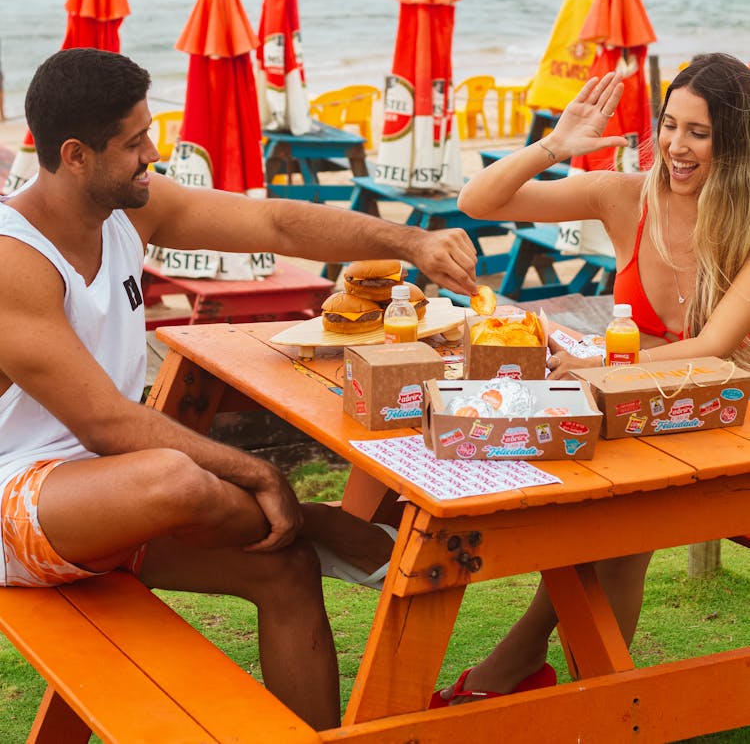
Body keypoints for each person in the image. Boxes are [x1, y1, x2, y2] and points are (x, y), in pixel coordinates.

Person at [0, 47, 478, 731]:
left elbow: (275, 224)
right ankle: (323, 520)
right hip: (19, 502)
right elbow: (108, 422)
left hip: (110, 495)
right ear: (75, 155)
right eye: (134, 142)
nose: (151, 153)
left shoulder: (129, 209)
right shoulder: (14, 259)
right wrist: (261, 474)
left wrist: (408, 240)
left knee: (285, 568)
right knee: (176, 478)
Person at [431, 51, 750, 705]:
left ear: (734, 140)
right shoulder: (626, 194)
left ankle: (537, 681)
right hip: (646, 405)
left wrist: (606, 363)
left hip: (729, 408)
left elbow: (715, 346)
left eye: (698, 131)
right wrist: (554, 143)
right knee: (612, 523)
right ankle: (582, 695)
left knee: (621, 524)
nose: (676, 146)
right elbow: (477, 200)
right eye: (668, 125)